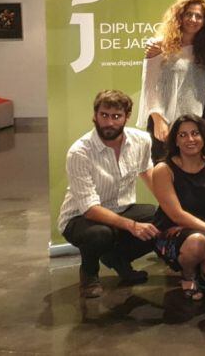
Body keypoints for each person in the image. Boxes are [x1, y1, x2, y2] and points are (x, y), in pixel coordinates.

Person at [58, 90, 157, 298]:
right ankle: (89, 275)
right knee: (100, 234)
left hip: (121, 209)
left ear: (126, 117)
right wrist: (132, 226)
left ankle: (117, 259)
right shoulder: (79, 152)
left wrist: (173, 207)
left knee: (160, 218)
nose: (109, 122)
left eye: (116, 116)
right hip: (80, 218)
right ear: (95, 115)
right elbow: (89, 209)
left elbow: (148, 173)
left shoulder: (142, 140)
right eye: (104, 115)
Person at [149, 115, 205, 300]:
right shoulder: (164, 169)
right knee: (197, 242)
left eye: (195, 133)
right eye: (183, 135)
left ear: (204, 136)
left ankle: (203, 270)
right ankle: (188, 275)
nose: (190, 139)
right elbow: (177, 215)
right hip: (174, 230)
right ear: (175, 141)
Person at [137, 0, 205, 161]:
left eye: (199, 16)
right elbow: (149, 86)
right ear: (179, 16)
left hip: (196, 119)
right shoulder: (160, 45)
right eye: (188, 14)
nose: (193, 19)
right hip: (164, 118)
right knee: (164, 171)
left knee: (195, 170)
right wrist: (158, 119)